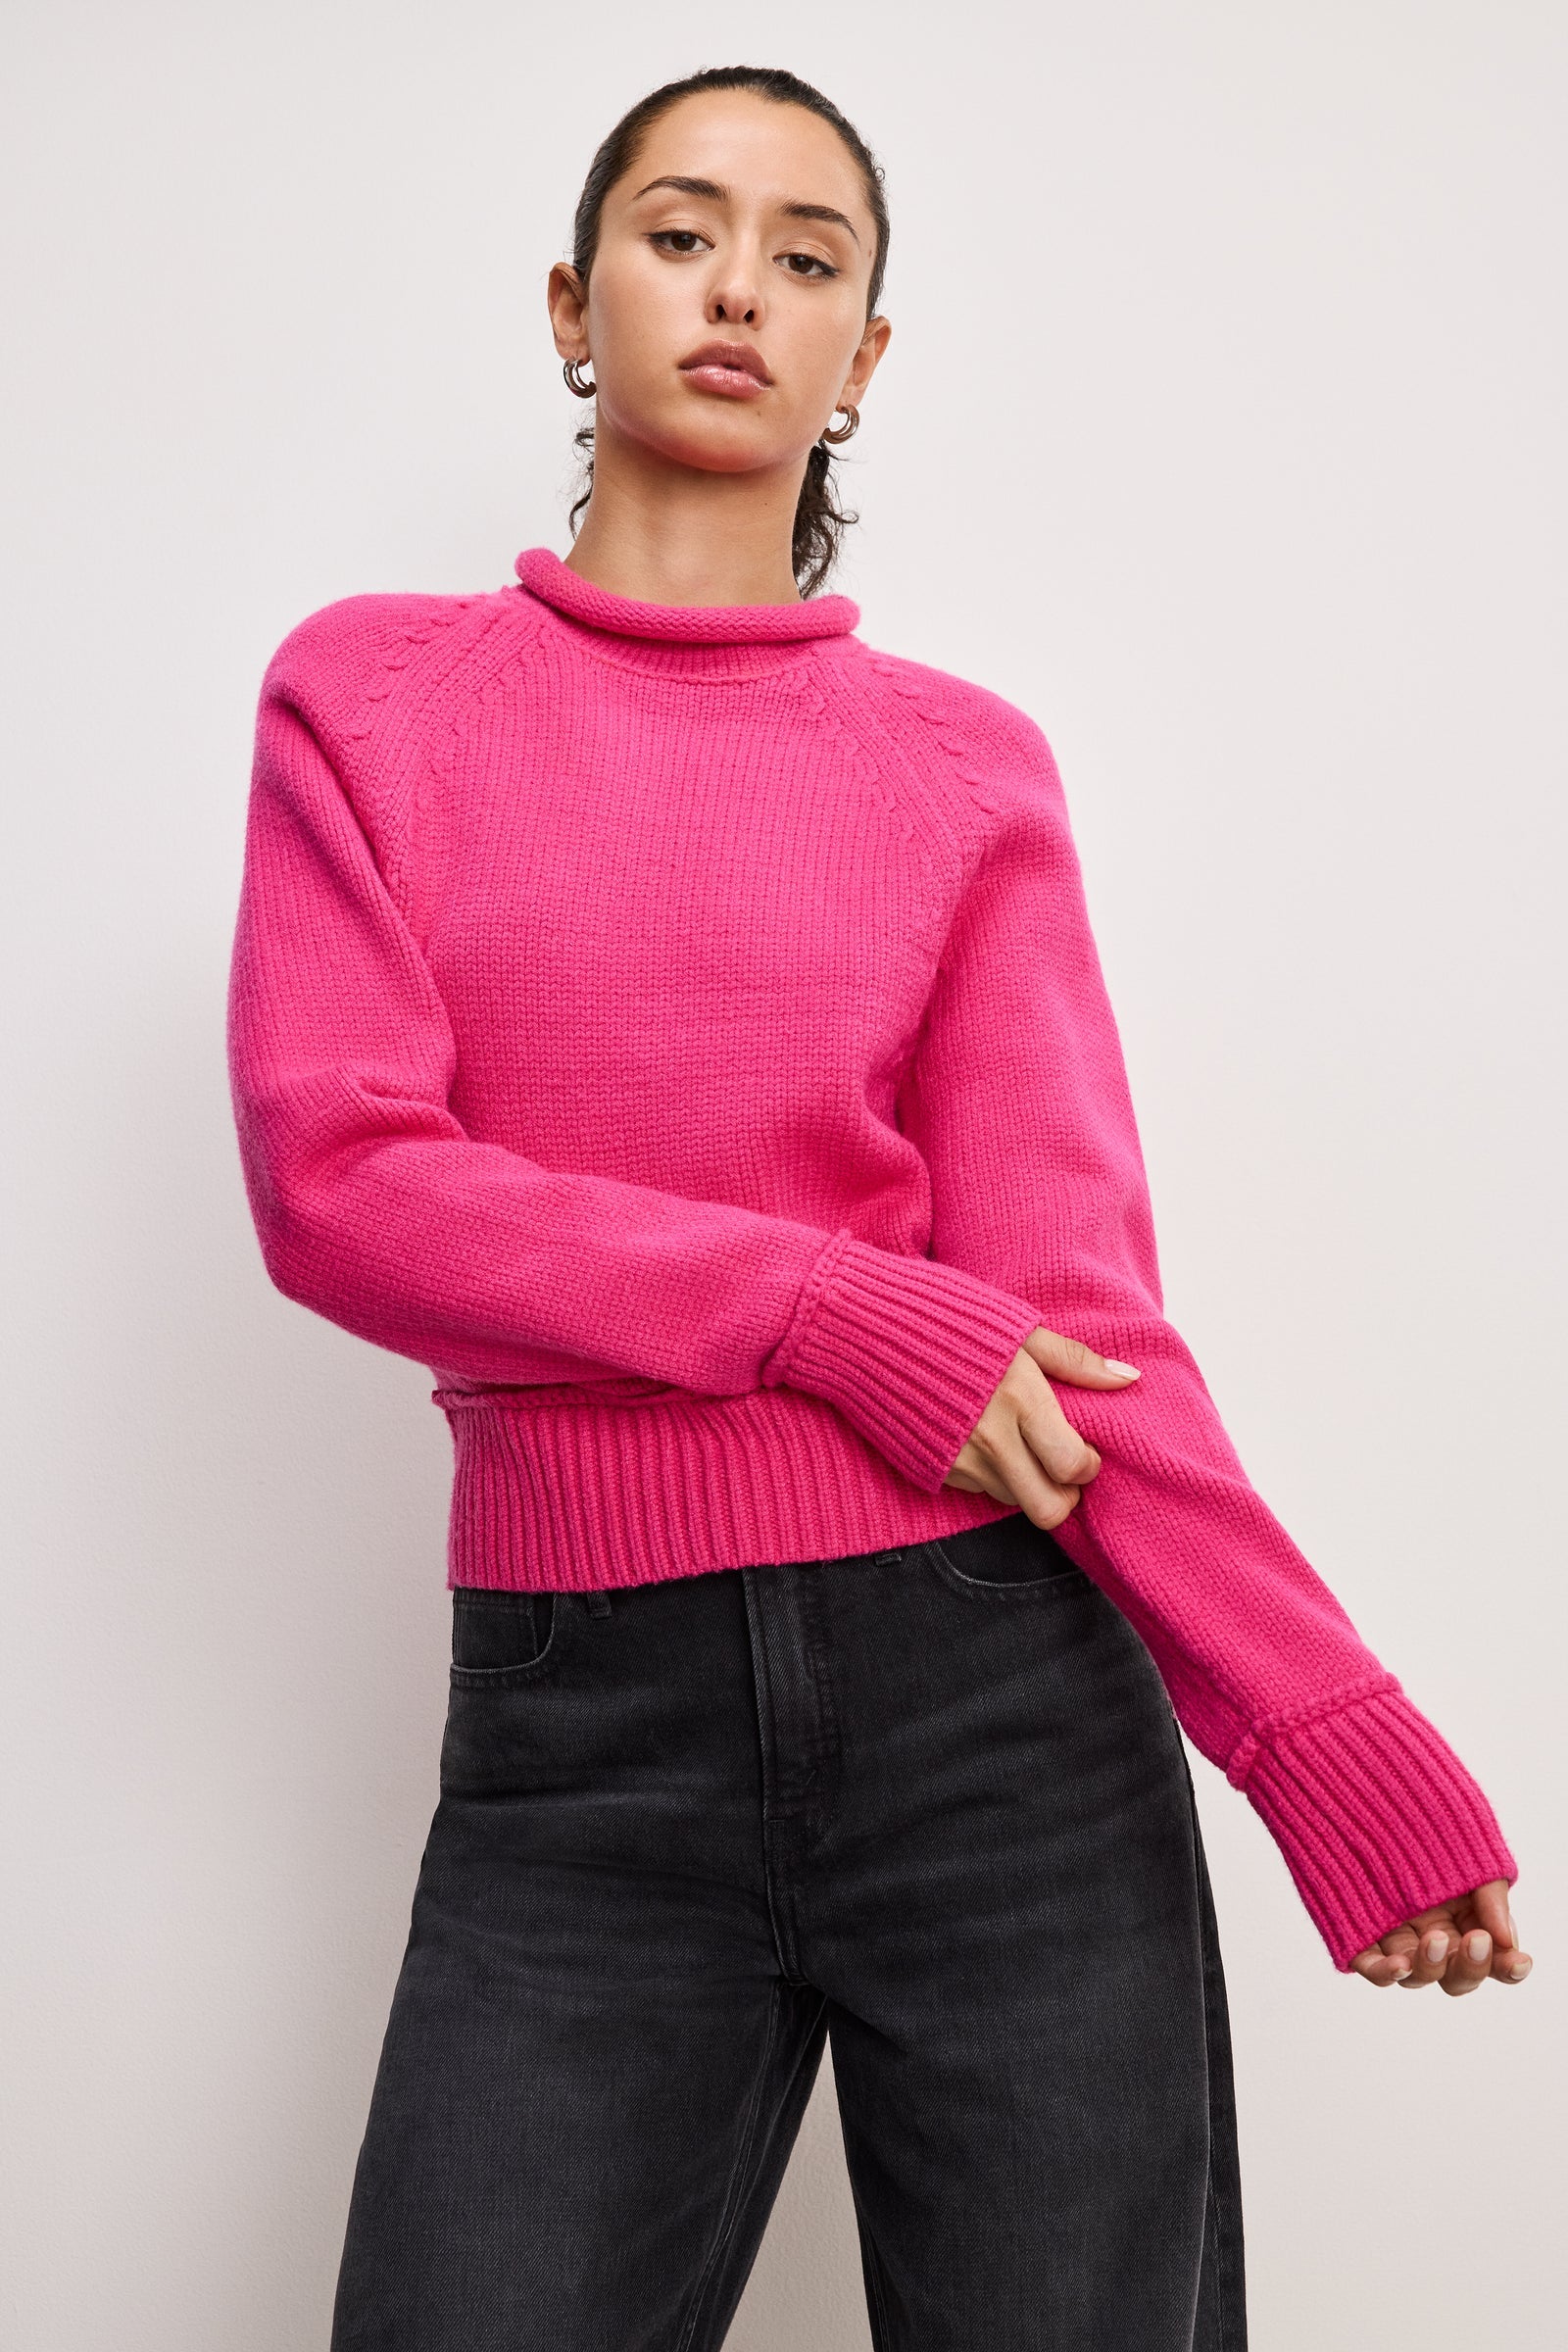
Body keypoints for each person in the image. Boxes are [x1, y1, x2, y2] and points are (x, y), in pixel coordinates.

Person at [225, 65, 1528, 2352]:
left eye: (805, 255)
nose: (738, 286)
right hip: (582, 1745)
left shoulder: (958, 769)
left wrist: (1322, 1733)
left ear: (863, 355)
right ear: (572, 305)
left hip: (995, 1716)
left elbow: (1073, 1323)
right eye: (678, 231)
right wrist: (823, 1307)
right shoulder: (373, 700)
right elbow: (342, 1184)